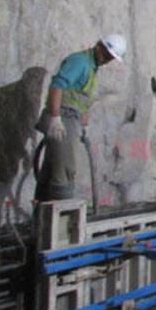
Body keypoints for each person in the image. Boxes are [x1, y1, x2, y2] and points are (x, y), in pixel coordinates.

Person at [36, 34, 127, 202]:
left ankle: (42, 215)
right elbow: (58, 85)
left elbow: (80, 97)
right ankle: (59, 219)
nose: (107, 60)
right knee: (65, 169)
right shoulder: (80, 61)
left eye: (111, 58)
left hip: (72, 119)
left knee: (52, 168)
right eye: (107, 55)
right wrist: (56, 118)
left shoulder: (92, 67)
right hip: (63, 117)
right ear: (99, 46)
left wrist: (83, 121)